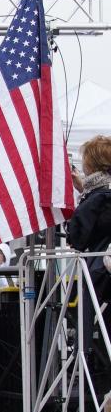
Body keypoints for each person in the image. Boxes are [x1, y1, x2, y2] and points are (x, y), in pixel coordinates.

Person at [68, 136, 111, 357]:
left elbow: (77, 236)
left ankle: (81, 357)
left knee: (87, 319)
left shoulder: (97, 197)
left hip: (99, 271)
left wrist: (82, 195)